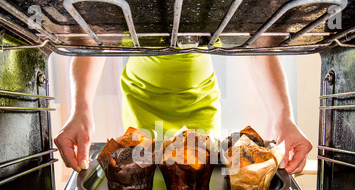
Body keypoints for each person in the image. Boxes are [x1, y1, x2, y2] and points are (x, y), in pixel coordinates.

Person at [54, 53, 312, 175]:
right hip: (142, 102)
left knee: (199, 188)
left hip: (200, 102)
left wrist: (284, 118)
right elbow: (94, 31)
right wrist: (80, 109)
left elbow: (258, 43)